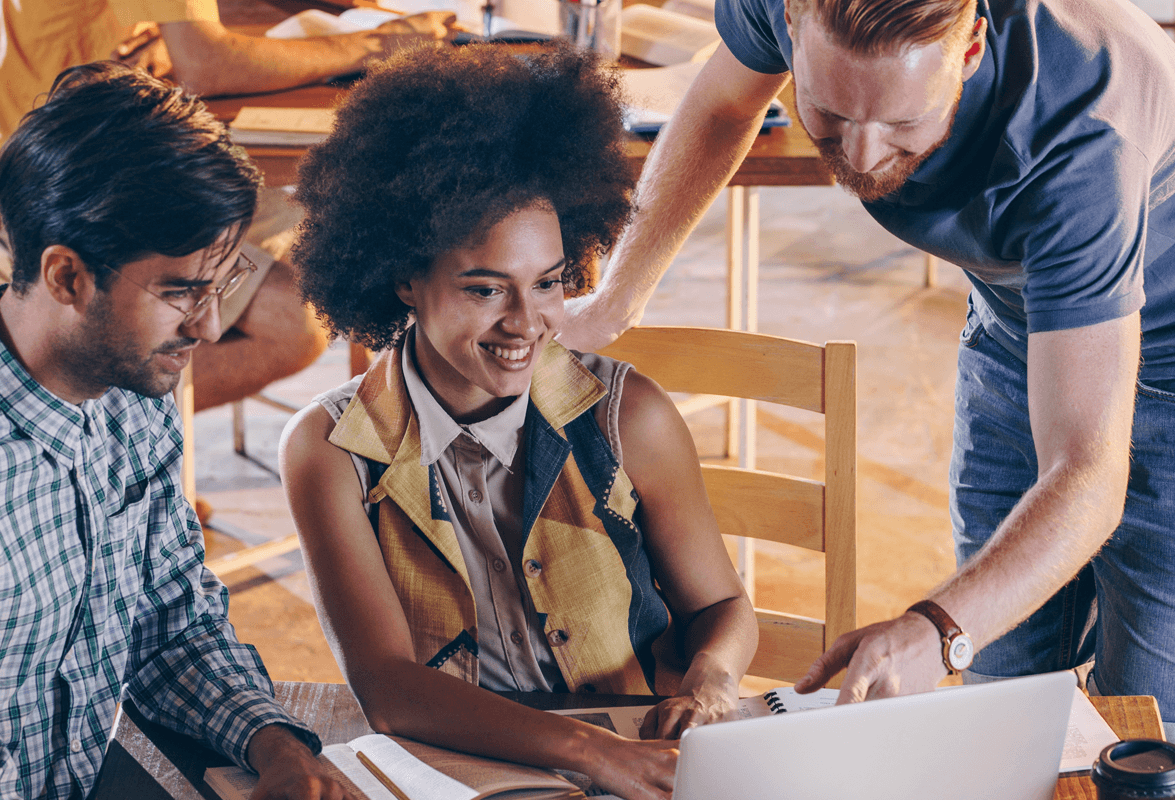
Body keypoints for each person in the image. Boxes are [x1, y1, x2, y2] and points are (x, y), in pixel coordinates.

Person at [556, 0, 1175, 751]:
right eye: (827, 113)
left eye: (902, 125)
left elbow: (1088, 478)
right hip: (1017, 319)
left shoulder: (1079, 139)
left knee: (1155, 733)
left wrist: (936, 630)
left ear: (968, 53)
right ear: (792, 24)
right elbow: (722, 102)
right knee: (1006, 705)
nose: (859, 158)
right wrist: (615, 301)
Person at [279, 43, 758, 800]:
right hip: (454, 771)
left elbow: (723, 607)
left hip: (635, 760)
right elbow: (389, 688)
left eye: (549, 283)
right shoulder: (330, 450)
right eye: (484, 290)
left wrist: (713, 678)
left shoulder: (628, 417)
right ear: (404, 278)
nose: (525, 324)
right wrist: (589, 752)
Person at [0, 62, 344, 800]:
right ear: (65, 277)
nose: (212, 326)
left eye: (216, 286)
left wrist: (273, 743)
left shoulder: (135, 394)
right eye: (181, 290)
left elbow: (169, 618)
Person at [0, 0, 457, 415]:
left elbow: (194, 41)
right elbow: (205, 63)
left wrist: (173, 42)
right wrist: (378, 44)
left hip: (73, 134)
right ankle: (83, 423)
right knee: (294, 319)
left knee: (312, 246)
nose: (209, 328)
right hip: (64, 167)